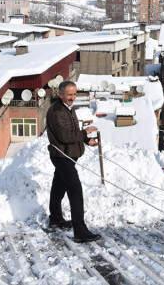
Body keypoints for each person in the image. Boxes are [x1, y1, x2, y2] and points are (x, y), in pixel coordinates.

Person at [46, 80, 101, 243]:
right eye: (69, 94)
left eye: (74, 94)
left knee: (58, 187)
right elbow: (65, 136)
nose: (72, 97)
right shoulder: (56, 111)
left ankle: (55, 219)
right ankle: (80, 230)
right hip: (62, 157)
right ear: (60, 94)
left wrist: (85, 141)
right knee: (75, 190)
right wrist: (84, 133)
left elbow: (72, 132)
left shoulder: (68, 108)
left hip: (67, 155)